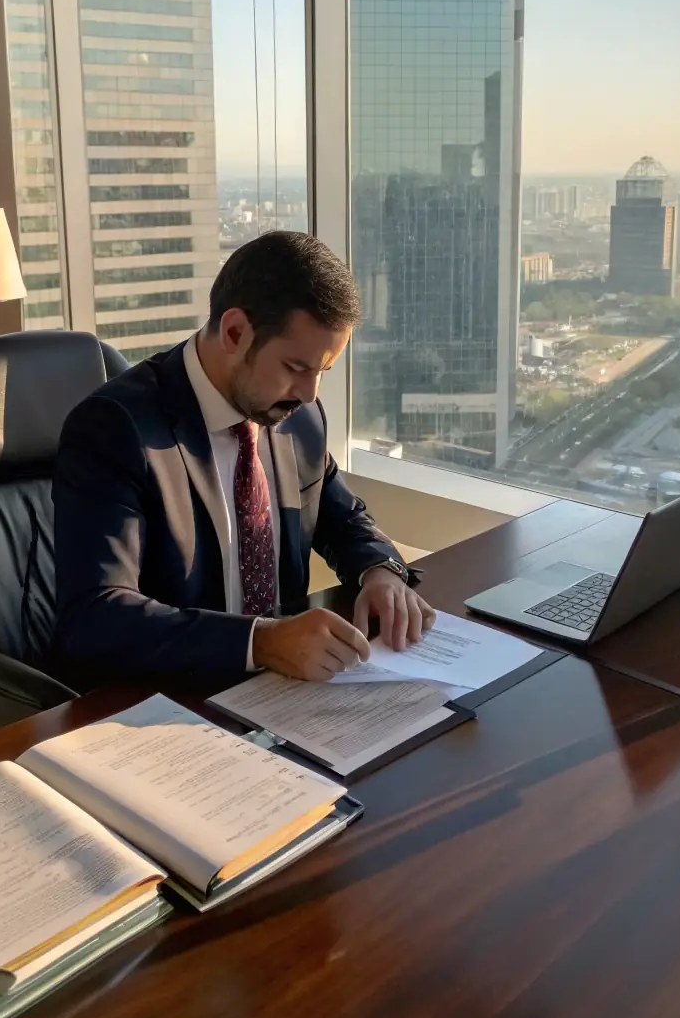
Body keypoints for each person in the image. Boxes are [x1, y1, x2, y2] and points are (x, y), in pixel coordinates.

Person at [51, 230, 434, 687]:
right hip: (170, 700)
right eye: (296, 368)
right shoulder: (117, 429)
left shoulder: (299, 417)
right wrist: (263, 642)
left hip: (283, 692)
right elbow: (95, 617)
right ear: (235, 332)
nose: (310, 393)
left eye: (322, 371)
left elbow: (344, 518)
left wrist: (381, 571)